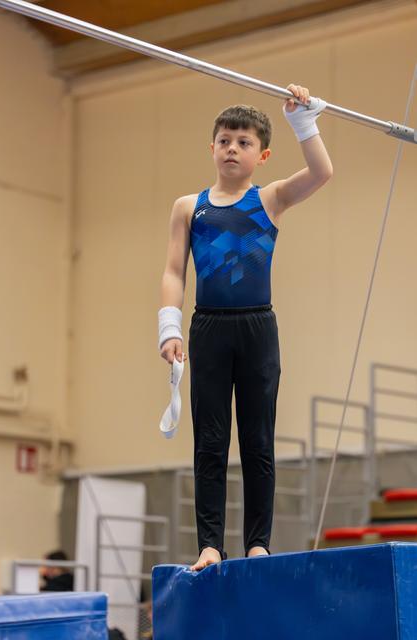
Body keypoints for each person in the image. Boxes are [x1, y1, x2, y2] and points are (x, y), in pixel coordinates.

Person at [158, 84, 333, 571]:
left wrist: (305, 121)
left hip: (258, 329)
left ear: (262, 155)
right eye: (225, 140)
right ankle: (210, 544)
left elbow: (322, 172)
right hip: (207, 329)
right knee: (209, 442)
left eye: (244, 142)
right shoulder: (188, 206)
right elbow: (174, 271)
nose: (232, 148)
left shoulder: (270, 199)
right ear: (211, 148)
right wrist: (168, 327)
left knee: (258, 439)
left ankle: (259, 542)